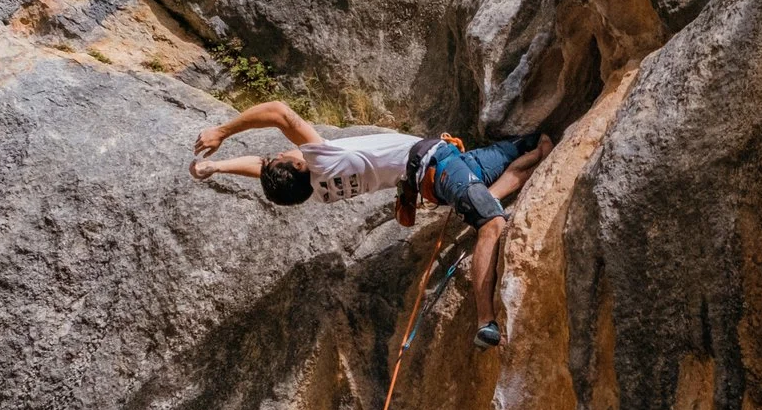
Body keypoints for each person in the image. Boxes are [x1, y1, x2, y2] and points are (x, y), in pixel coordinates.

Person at [191, 101, 551, 348]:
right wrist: (222, 131)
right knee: (490, 223)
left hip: (447, 169)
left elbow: (265, 168)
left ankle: (492, 188)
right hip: (440, 170)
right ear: (302, 166)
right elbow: (280, 113)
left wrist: (218, 166)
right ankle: (485, 321)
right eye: (284, 156)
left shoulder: (315, 190)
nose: (281, 152)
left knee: (532, 146)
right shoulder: (324, 160)